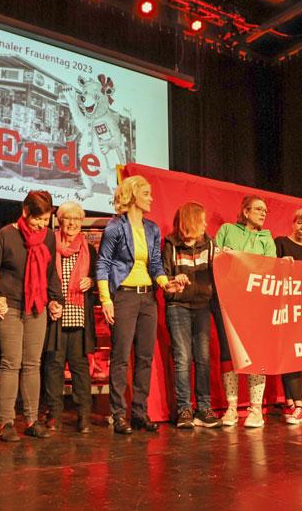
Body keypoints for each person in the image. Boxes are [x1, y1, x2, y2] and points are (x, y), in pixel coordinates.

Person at [96, 175, 181, 434]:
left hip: (147, 297)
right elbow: (103, 263)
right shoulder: (115, 227)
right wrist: (106, 299)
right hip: (124, 296)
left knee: (145, 357)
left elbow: (155, 263)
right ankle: (118, 414)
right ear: (132, 195)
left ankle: (139, 412)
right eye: (146, 193)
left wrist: (166, 283)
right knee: (121, 357)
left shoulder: (152, 229)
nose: (151, 198)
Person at [0, 191, 64, 441]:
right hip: (10, 305)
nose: (42, 225)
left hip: (37, 306)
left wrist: (56, 299)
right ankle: (6, 423)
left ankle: (32, 419)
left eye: (46, 220)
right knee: (12, 362)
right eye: (38, 220)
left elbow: (51, 271)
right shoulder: (6, 235)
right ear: (25, 212)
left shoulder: (49, 237)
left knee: (33, 363)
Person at [214, 195, 276, 428]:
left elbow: (270, 268)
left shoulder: (267, 238)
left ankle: (255, 410)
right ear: (246, 211)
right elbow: (216, 258)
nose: (263, 213)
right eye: (258, 209)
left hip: (256, 304)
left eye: (265, 211)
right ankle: (231, 408)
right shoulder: (227, 230)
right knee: (229, 354)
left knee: (255, 354)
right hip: (227, 302)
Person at [41, 202, 99, 433]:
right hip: (55, 314)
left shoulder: (89, 249)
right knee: (53, 365)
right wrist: (49, 301)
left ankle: (83, 415)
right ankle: (54, 414)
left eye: (77, 219)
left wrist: (92, 281)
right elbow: (43, 277)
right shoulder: (49, 244)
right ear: (60, 220)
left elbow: (97, 276)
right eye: (68, 218)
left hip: (78, 316)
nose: (73, 223)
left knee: (79, 367)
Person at [162, 202, 220, 429]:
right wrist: (174, 282)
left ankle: (203, 408)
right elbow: (164, 276)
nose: (205, 224)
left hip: (202, 306)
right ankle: (184, 408)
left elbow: (220, 273)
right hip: (178, 307)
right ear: (192, 221)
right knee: (182, 358)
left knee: (203, 358)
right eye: (202, 219)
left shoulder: (210, 244)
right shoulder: (171, 244)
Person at [275, 207, 302, 424]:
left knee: (298, 355)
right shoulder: (280, 242)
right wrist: (282, 265)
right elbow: (270, 269)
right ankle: (297, 404)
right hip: (284, 308)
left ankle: (292, 402)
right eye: (300, 223)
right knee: (288, 355)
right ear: (293, 223)